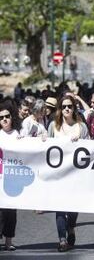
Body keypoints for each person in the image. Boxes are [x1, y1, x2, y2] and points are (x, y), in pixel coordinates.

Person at [47, 95, 90, 252]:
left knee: (72, 207)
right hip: (58, 175)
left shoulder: (81, 127)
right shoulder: (53, 126)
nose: (66, 109)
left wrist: (81, 141)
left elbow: (90, 149)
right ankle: (62, 239)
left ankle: (71, 227)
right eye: (64, 106)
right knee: (60, 207)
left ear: (74, 108)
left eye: (70, 106)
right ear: (59, 109)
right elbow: (45, 148)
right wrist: (43, 139)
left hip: (76, 175)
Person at [0, 101, 21, 251]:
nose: (5, 119)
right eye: (1, 117)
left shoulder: (18, 134)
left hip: (13, 179)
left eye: (7, 116)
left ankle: (8, 241)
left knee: (11, 212)